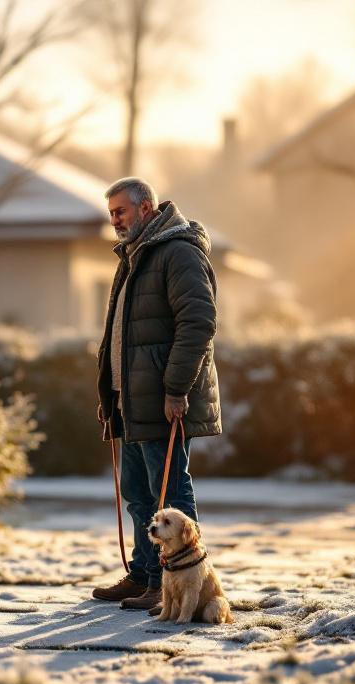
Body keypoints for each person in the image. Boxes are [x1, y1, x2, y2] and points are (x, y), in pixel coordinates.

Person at [90, 177, 222, 614]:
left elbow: (198, 323)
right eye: (110, 214)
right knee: (139, 494)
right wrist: (110, 394)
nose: (114, 221)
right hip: (131, 400)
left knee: (169, 494)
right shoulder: (134, 256)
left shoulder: (177, 252)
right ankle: (148, 577)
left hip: (162, 399)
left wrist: (176, 389)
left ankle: (185, 583)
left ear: (145, 208)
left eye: (120, 212)